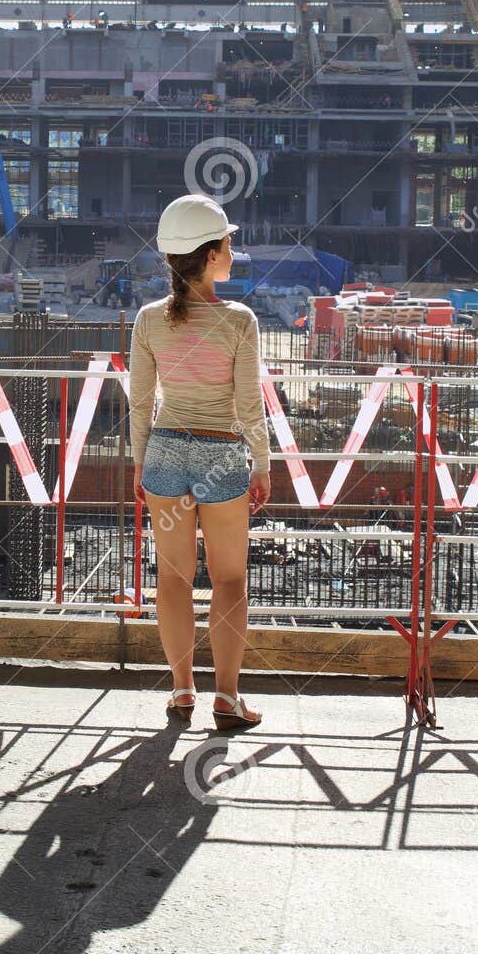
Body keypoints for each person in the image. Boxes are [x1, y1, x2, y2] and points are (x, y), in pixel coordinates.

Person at [129, 193, 271, 733]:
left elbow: (141, 403)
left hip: (164, 453)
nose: (233, 250)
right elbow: (247, 406)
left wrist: (142, 466)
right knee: (231, 579)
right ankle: (228, 699)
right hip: (220, 455)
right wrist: (261, 464)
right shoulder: (240, 320)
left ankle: (182, 690)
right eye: (228, 242)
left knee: (173, 579)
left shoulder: (149, 320)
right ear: (210, 254)